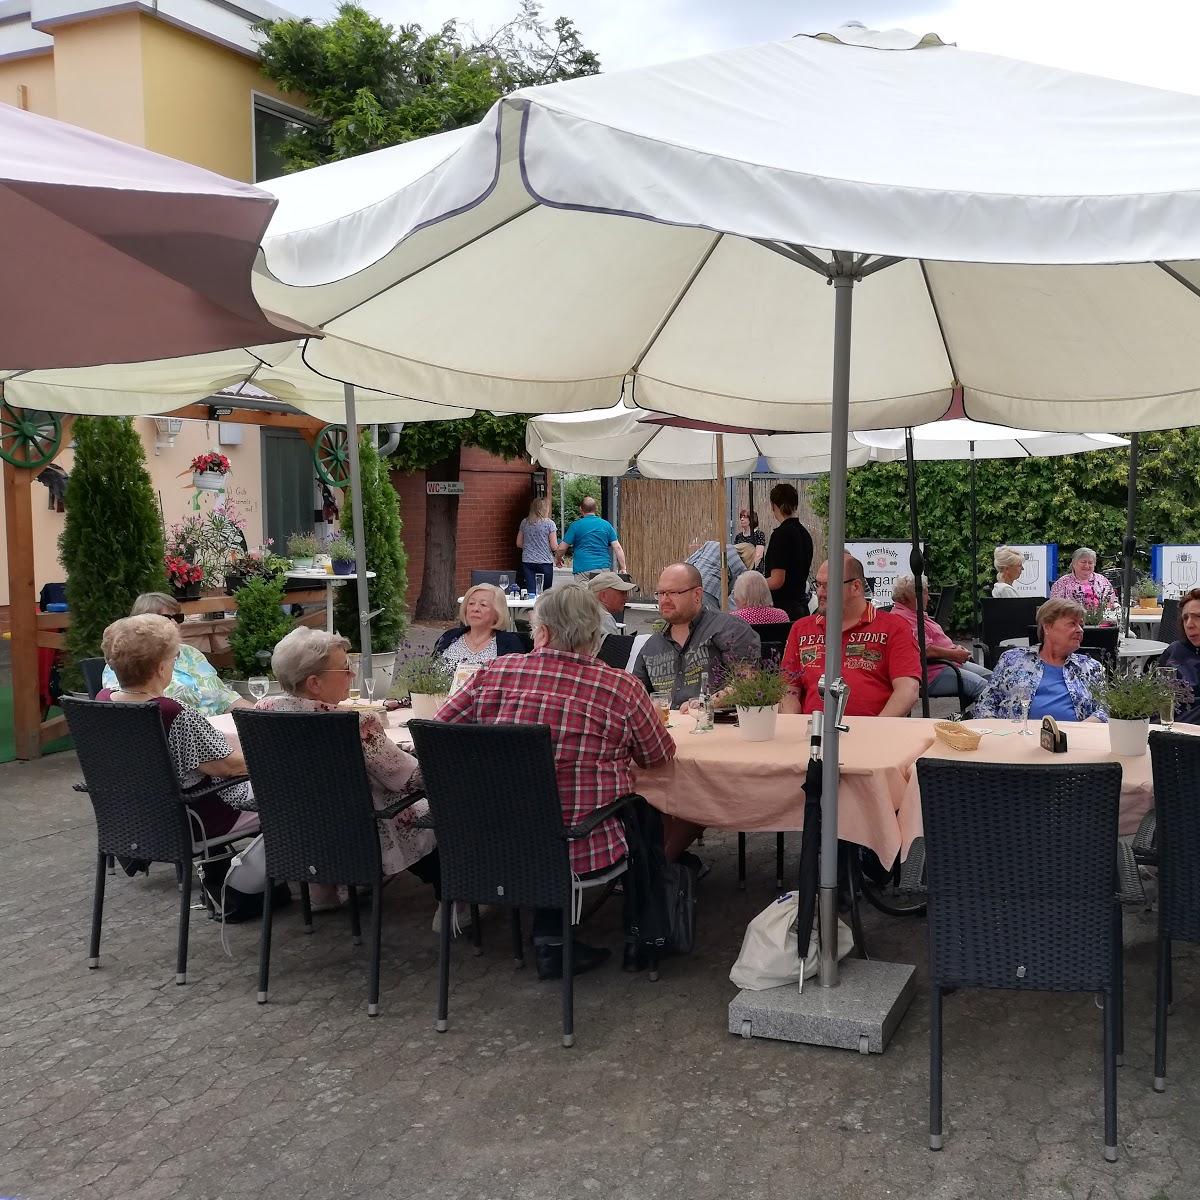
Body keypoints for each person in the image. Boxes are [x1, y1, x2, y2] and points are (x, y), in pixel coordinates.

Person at [435, 584, 676, 980]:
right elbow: (657, 757)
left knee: (537, 807)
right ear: (595, 639)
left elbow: (440, 733)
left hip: (488, 843)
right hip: (578, 845)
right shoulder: (620, 687)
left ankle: (552, 939)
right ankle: (638, 937)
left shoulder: (494, 672)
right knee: (642, 812)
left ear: (542, 632)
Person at [258, 627, 440, 912]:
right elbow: (410, 778)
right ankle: (453, 895)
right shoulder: (353, 723)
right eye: (345, 669)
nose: (352, 675)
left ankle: (324, 891)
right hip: (363, 831)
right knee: (434, 807)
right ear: (315, 683)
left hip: (297, 829)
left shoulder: (262, 712)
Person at [98, 614, 256, 855]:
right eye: (174, 658)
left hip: (136, 818)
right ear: (161, 668)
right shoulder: (171, 712)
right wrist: (273, 760)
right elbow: (227, 768)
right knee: (293, 794)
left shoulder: (104, 701)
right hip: (200, 818)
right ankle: (277, 881)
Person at [780, 555, 921, 717]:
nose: (820, 592)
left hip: (873, 733)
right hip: (812, 734)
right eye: (818, 585)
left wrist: (877, 731)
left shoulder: (894, 627)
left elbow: (908, 690)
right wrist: (794, 726)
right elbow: (788, 689)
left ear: (856, 587)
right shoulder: (802, 629)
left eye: (828, 586)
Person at [101, 592, 251, 716]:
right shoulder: (124, 661)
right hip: (176, 736)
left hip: (214, 730)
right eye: (166, 618)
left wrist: (260, 716)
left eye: (178, 617)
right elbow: (129, 708)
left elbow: (226, 698)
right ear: (143, 623)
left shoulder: (191, 653)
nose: (174, 623)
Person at [634, 563, 761, 709]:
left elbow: (748, 681)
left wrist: (706, 704)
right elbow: (634, 695)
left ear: (697, 595)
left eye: (673, 593)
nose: (664, 600)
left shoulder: (728, 628)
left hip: (715, 727)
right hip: (667, 728)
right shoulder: (652, 646)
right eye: (661, 593)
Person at [971, 597, 1107, 722]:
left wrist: (1083, 728)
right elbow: (985, 703)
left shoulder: (1090, 667)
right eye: (1072, 624)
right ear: (1047, 627)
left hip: (1073, 741)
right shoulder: (1012, 660)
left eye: (1081, 625)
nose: (1080, 630)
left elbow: (1107, 708)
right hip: (1017, 739)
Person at [890, 574, 992, 703]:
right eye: (926, 593)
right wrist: (954, 654)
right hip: (932, 673)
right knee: (984, 688)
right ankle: (983, 721)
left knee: (993, 679)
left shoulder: (914, 612)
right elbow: (926, 651)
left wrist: (955, 649)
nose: (929, 597)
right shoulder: (904, 618)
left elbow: (937, 640)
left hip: (948, 663)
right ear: (913, 596)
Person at [434, 584, 526, 667]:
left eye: (483, 605)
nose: (475, 609)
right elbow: (428, 671)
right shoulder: (449, 637)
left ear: (497, 613)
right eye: (471, 603)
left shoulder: (510, 644)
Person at [762, 482, 815, 621]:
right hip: (802, 607)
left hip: (784, 613)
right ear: (795, 505)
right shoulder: (805, 534)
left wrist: (754, 582)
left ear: (773, 506)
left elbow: (777, 580)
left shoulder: (781, 535)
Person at [1156, 587, 1200, 724]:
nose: (1189, 624)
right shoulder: (1175, 651)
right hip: (1164, 732)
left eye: (1198, 617)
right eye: (1185, 618)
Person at [556, 496, 626, 579]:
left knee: (584, 592)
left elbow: (561, 548)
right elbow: (617, 547)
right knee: (601, 592)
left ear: (580, 509)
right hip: (602, 570)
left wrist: (558, 559)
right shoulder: (606, 525)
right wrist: (623, 568)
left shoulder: (576, 526)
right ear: (595, 509)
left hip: (583, 570)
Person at [1050, 546, 1118, 616]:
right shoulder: (1062, 583)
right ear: (1074, 563)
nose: (1087, 565)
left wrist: (1116, 607)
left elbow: (1113, 601)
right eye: (1083, 562)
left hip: (1101, 623)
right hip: (1071, 621)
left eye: (1090, 563)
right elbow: (1054, 607)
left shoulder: (1102, 580)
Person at [685, 538, 746, 610]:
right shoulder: (736, 560)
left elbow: (689, 561)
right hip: (709, 591)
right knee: (710, 619)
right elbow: (741, 584)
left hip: (690, 584)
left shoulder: (710, 544)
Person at [515, 496, 558, 594]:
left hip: (528, 561)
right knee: (546, 592)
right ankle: (544, 609)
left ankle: (532, 608)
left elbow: (519, 543)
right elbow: (554, 546)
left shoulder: (525, 522)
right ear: (545, 509)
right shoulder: (549, 524)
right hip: (545, 561)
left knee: (531, 591)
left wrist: (530, 547)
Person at [588, 569, 637, 635]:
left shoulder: (587, 611)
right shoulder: (604, 618)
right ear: (603, 596)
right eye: (622, 593)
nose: (626, 598)